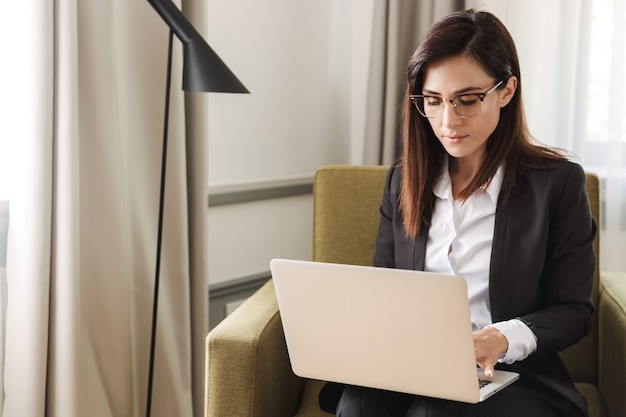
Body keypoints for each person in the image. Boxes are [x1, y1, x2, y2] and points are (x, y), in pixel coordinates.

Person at [328, 8, 597, 417]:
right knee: (357, 404)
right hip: (415, 363)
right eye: (433, 101)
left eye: (466, 100)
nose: (447, 121)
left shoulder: (557, 184)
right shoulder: (403, 182)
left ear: (506, 91)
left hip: (513, 372)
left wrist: (501, 338)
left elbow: (575, 310)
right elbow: (385, 289)